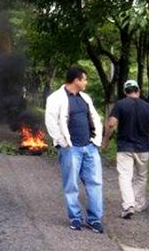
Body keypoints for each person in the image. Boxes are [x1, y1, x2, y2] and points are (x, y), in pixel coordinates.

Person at [45, 66, 104, 233]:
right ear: (76, 80)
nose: (86, 82)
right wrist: (62, 142)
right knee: (71, 185)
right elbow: (51, 122)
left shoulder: (85, 98)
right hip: (71, 149)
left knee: (95, 184)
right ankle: (75, 218)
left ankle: (94, 220)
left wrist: (95, 141)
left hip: (90, 147)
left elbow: (94, 118)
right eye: (84, 79)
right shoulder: (56, 98)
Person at [102, 79, 149, 219]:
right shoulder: (148, 107)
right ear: (138, 91)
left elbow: (111, 125)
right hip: (143, 148)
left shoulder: (120, 105)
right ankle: (138, 204)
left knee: (125, 176)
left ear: (125, 92)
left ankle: (128, 205)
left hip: (125, 147)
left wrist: (106, 142)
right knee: (141, 177)